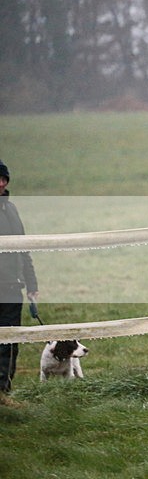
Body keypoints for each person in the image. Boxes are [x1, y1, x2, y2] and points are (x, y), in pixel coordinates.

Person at [0, 159, 38, 403]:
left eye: (4, 179)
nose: (1, 183)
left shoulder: (11, 209)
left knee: (10, 342)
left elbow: (23, 249)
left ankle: (4, 390)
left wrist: (32, 284)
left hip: (13, 287)